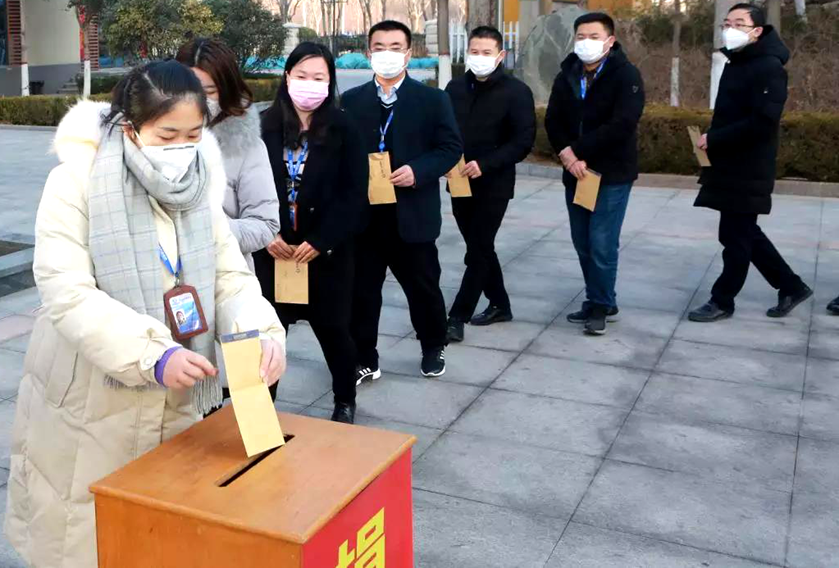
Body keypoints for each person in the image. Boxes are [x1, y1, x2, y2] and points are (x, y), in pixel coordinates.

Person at [4, 61, 287, 568]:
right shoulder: (77, 181)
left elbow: (229, 275)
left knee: (159, 536)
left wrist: (260, 331)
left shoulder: (198, 184)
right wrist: (151, 353)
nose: (183, 148)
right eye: (167, 136)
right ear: (131, 128)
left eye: (194, 135)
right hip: (92, 396)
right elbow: (66, 290)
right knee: (87, 536)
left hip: (177, 395)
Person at [342, 20, 462, 382]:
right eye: (379, 47)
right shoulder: (351, 101)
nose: (387, 54)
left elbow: (450, 148)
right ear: (368, 53)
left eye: (396, 47)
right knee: (362, 292)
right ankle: (365, 357)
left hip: (412, 213)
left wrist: (418, 171)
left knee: (423, 287)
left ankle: (433, 346)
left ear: (409, 53)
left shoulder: (433, 100)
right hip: (366, 217)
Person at [254, 43, 367, 424]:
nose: (309, 84)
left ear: (330, 81)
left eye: (319, 77)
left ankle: (344, 400)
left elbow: (355, 194)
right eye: (301, 75)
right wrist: (264, 234)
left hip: (324, 253)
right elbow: (244, 189)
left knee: (335, 331)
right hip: (274, 252)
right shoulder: (262, 126)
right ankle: (261, 410)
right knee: (268, 334)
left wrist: (321, 241)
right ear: (287, 77)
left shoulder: (345, 128)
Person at [688, 4, 812, 322]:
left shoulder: (769, 67)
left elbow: (763, 122)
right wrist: (713, 138)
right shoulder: (738, 62)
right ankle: (791, 286)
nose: (730, 29)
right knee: (742, 233)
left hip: (749, 166)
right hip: (728, 162)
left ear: (757, 31)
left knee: (736, 238)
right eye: (727, 23)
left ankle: (722, 300)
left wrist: (716, 138)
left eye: (739, 23)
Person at [545, 12, 645, 336]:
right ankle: (601, 298)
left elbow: (622, 124)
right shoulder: (567, 75)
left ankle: (600, 305)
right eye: (581, 37)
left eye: (593, 36)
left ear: (610, 41)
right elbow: (553, 120)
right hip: (576, 173)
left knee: (602, 242)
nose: (585, 42)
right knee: (583, 241)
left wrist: (577, 151)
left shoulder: (626, 75)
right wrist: (566, 154)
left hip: (611, 174)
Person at [443, 25, 535, 343]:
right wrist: (443, 161)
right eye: (474, 51)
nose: (479, 57)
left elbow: (523, 141)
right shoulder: (454, 88)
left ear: (500, 55)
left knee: (479, 249)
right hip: (458, 181)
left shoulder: (517, 92)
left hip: (494, 183)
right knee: (478, 247)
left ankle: (457, 316)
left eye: (486, 52)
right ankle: (500, 304)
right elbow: (443, 130)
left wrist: (485, 164)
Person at [176, 38, 280, 271]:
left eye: (209, 92)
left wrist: (207, 231)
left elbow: (265, 224)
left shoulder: (246, 146)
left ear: (226, 91)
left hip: (224, 274)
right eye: (189, 90)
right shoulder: (152, 138)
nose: (198, 100)